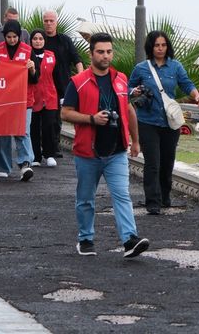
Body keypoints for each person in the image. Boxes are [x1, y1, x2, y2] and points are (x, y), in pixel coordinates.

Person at [61, 32, 149, 258]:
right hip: (87, 152)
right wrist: (92, 118)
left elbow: (128, 109)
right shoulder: (77, 82)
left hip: (117, 151)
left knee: (122, 195)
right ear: (91, 54)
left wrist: (136, 140)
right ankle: (85, 239)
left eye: (109, 51)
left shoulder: (121, 79)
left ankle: (129, 239)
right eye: (100, 52)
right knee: (86, 199)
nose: (105, 56)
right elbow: (65, 113)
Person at [128, 30, 199, 214]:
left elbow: (186, 83)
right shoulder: (141, 68)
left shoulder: (175, 66)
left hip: (170, 122)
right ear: (150, 47)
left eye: (163, 45)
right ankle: (152, 201)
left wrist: (196, 95)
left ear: (167, 46)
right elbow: (128, 87)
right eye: (156, 45)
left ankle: (164, 196)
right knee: (152, 162)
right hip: (147, 121)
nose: (160, 48)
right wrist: (134, 92)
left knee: (168, 161)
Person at [0, 20, 38, 181]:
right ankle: (2, 166)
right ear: (4, 36)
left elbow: (35, 79)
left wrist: (32, 69)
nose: (12, 40)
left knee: (23, 131)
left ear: (19, 36)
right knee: (2, 132)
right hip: (2, 100)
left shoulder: (28, 50)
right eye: (9, 37)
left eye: (15, 37)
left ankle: (25, 164)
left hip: (24, 99)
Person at [42, 10, 84, 158]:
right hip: (43, 86)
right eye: (46, 21)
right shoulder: (39, 39)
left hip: (62, 84)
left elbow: (77, 59)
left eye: (51, 21)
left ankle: (54, 147)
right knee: (46, 118)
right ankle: (45, 146)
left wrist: (80, 78)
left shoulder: (64, 40)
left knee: (57, 118)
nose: (48, 23)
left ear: (56, 22)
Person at [28, 29, 60, 168]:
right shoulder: (27, 57)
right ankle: (36, 156)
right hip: (33, 96)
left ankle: (50, 154)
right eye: (35, 38)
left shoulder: (51, 55)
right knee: (33, 127)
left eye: (41, 39)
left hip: (50, 96)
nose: (38, 41)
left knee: (49, 126)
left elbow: (58, 76)